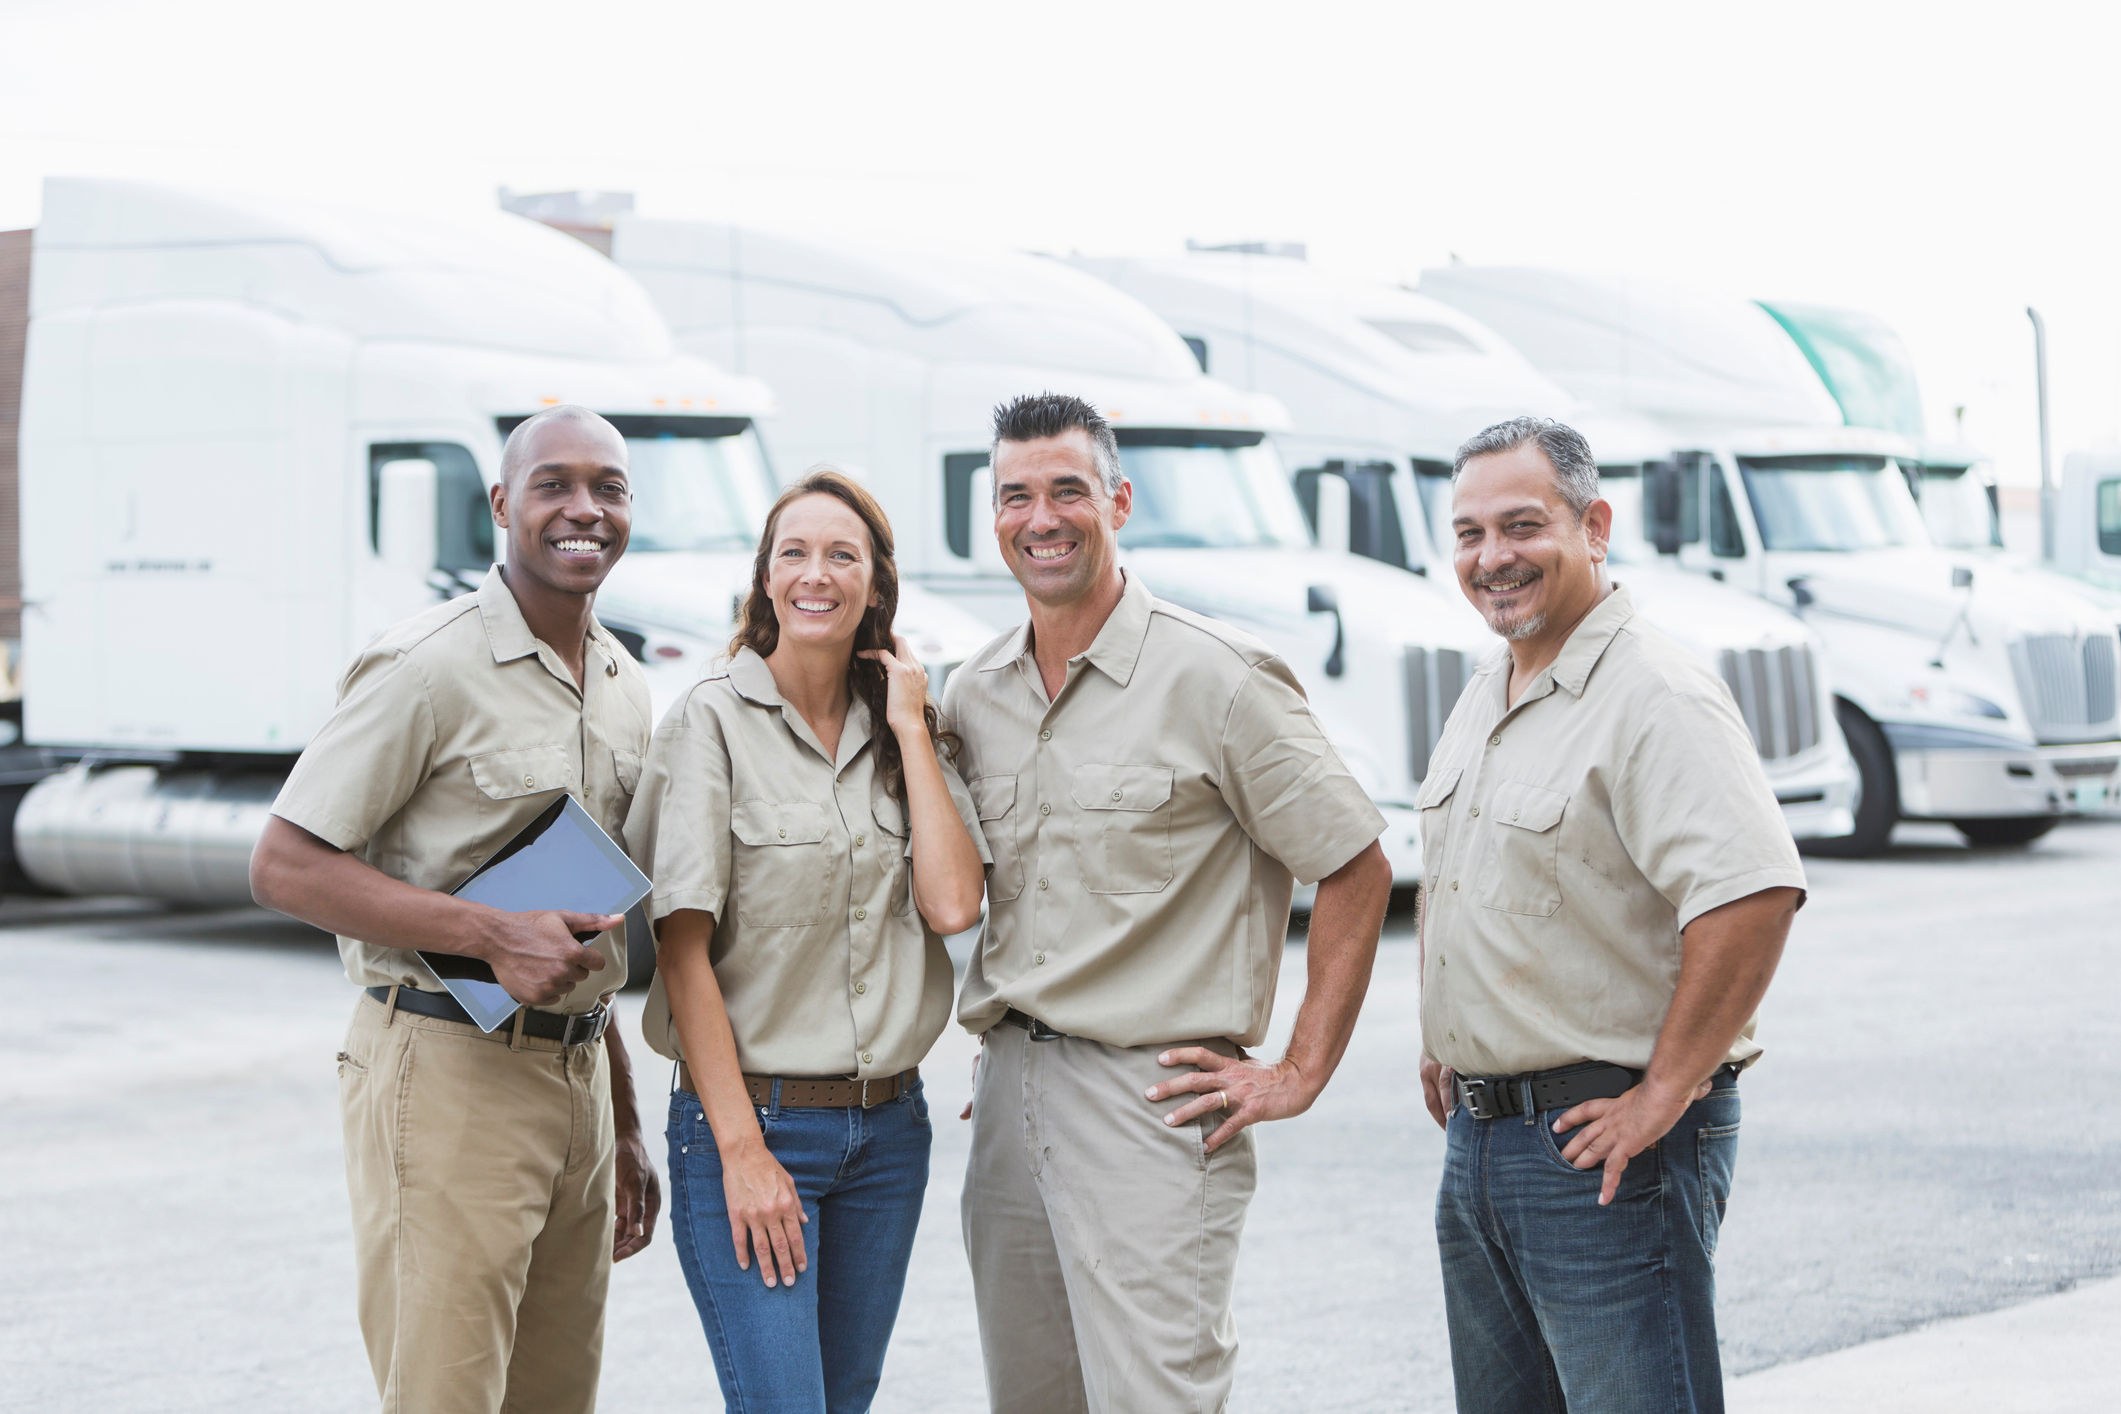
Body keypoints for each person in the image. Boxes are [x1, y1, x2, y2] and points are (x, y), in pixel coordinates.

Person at [945, 392, 1394, 1412]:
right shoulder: (975, 693)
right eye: (1016, 496)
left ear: (1120, 500)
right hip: (1009, 1096)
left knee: (1158, 1398)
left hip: (1153, 1103)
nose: (1042, 518)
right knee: (1033, 1397)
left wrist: (1300, 1069)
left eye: (1069, 490)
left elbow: (1355, 862)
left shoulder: (1218, 677)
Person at [248, 405, 661, 1414]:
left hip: (576, 1080)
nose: (583, 508)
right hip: (444, 1074)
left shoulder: (622, 684)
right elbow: (284, 863)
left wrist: (623, 1121)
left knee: (556, 1395)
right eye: (554, 483)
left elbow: (586, 925)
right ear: (501, 503)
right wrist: (486, 933)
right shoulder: (427, 664)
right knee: (445, 1395)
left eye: (607, 486)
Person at [1417, 416, 1807, 1413]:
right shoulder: (1489, 690)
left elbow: (1751, 893)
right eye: (1469, 533)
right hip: (1484, 1141)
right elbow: (1470, 873)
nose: (1492, 558)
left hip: (1601, 1147)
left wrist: (1664, 1091)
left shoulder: (1653, 691)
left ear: (1594, 524)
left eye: (1521, 525)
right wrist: (1447, 1035)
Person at [624, 468, 987, 1413]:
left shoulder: (906, 728)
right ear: (765, 578)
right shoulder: (709, 722)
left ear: (877, 585)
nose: (815, 574)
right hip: (755, 1125)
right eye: (794, 553)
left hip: (889, 1134)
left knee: (842, 1402)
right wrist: (744, 1154)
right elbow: (680, 952)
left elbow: (953, 908)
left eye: (842, 555)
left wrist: (909, 724)